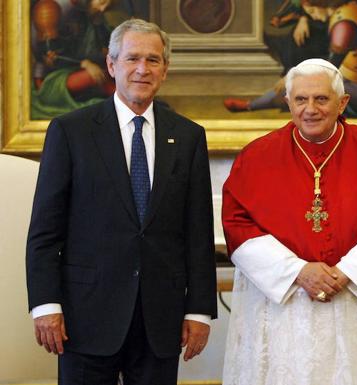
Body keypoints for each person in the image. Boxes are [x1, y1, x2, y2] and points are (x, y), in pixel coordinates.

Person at [221, 58, 357, 385]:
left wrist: (347, 273)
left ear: (342, 102)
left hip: (356, 308)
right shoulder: (257, 156)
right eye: (300, 99)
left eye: (321, 99)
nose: (310, 109)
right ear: (287, 102)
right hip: (287, 310)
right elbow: (238, 223)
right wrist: (298, 271)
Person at [26, 19, 217, 385]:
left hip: (160, 321)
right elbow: (45, 231)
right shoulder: (70, 131)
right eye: (132, 59)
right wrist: (46, 305)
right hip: (84, 318)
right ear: (112, 65)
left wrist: (199, 311)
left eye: (153, 60)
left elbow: (197, 232)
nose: (142, 69)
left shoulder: (189, 136)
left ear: (165, 69)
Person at [224, 0, 357, 118]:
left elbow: (329, 68)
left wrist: (294, 74)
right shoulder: (346, 10)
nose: (311, 15)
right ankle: (251, 105)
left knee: (300, 86)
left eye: (311, 10)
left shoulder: (344, 26)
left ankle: (250, 106)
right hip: (351, 79)